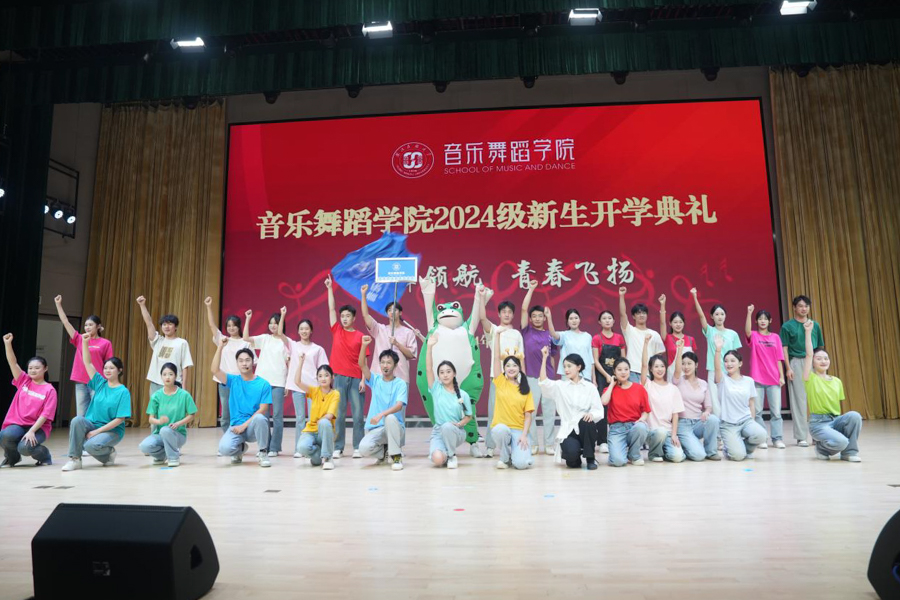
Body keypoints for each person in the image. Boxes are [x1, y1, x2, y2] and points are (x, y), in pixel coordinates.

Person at [62, 334, 132, 471]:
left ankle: (109, 453)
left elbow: (120, 419)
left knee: (90, 446)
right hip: (92, 424)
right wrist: (85, 343)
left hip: (112, 430)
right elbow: (87, 362)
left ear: (119, 370)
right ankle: (75, 459)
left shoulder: (123, 392)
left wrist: (97, 432)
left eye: (111, 368)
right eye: (105, 368)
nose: (107, 370)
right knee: (77, 420)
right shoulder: (100, 383)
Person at [802, 321, 862, 462]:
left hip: (834, 419)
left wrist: (840, 425)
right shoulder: (810, 378)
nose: (823, 361)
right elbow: (809, 354)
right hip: (818, 423)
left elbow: (837, 407)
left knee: (855, 416)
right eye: (819, 359)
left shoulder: (836, 381)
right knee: (842, 442)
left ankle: (849, 453)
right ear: (813, 362)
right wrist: (808, 332)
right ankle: (822, 448)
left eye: (826, 358)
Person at [211, 338, 272, 467]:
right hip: (236, 426)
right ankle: (240, 448)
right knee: (224, 449)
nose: (244, 363)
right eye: (241, 361)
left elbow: (263, 409)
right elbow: (214, 370)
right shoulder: (233, 380)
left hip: (252, 427)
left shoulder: (263, 384)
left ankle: (263, 452)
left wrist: (244, 426)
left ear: (253, 362)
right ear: (237, 364)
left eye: (247, 360)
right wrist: (220, 347)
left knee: (261, 418)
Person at [539, 347, 603, 470]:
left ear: (579, 367)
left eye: (569, 366)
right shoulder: (560, 386)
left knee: (588, 422)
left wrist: (591, 414)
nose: (566, 369)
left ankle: (590, 458)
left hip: (584, 428)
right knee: (572, 461)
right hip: (568, 430)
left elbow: (598, 410)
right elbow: (544, 383)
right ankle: (575, 456)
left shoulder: (590, 387)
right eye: (564, 367)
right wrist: (544, 359)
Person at [480, 287, 525, 458]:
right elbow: (482, 318)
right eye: (503, 312)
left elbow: (521, 357)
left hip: (515, 379)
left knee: (514, 412)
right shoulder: (494, 329)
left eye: (509, 312)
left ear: (513, 315)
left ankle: (515, 444)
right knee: (494, 412)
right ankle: (490, 446)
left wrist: (523, 378)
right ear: (499, 314)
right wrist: (482, 298)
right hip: (497, 378)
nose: (506, 314)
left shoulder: (517, 334)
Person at [324, 274, 366, 459]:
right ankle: (338, 447)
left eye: (348, 316)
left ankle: (358, 446)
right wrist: (329, 288)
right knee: (339, 414)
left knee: (358, 415)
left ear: (354, 318)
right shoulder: (337, 330)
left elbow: (364, 361)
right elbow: (331, 308)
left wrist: (364, 379)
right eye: (342, 316)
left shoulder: (360, 336)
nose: (344, 318)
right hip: (339, 378)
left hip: (356, 378)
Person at [1, 333, 57, 467]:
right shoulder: (24, 380)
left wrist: (32, 430)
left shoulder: (50, 390)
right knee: (5, 435)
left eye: (37, 368)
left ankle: (45, 456)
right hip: (18, 424)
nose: (33, 370)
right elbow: (12, 363)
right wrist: (7, 344)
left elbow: (45, 415)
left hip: (38, 427)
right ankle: (12, 458)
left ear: (45, 369)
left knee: (25, 448)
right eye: (30, 368)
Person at [53, 295, 112, 417]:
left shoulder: (105, 343)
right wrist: (58, 304)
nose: (87, 327)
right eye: (86, 325)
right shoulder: (79, 339)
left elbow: (109, 364)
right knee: (81, 414)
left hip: (97, 382)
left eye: (90, 325)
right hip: (80, 381)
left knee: (97, 413)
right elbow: (65, 322)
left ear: (98, 326)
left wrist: (109, 382)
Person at [243, 307, 289, 457]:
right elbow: (246, 338)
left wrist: (288, 383)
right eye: (271, 323)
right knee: (263, 416)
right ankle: (264, 446)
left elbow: (289, 363)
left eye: (276, 323)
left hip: (278, 382)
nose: (273, 325)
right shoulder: (265, 338)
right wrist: (248, 318)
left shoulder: (285, 342)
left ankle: (274, 447)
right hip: (262, 383)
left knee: (277, 416)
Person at [357, 336, 408, 470]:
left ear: (395, 365)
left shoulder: (400, 384)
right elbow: (362, 365)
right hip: (378, 428)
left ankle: (396, 456)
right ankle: (384, 452)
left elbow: (399, 406)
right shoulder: (375, 380)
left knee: (390, 418)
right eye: (383, 362)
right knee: (363, 448)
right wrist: (364, 345)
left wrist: (381, 414)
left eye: (389, 363)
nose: (385, 365)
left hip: (396, 427)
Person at [520, 280, 559, 455]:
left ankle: (549, 444)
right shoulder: (526, 331)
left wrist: (552, 378)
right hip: (530, 378)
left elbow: (552, 358)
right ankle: (534, 443)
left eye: (540, 316)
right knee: (531, 412)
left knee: (549, 412)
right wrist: (531, 289)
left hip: (548, 378)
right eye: (534, 316)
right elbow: (523, 309)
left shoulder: (550, 335)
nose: (537, 318)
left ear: (544, 318)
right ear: (530, 318)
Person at [713, 335, 766, 461]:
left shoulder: (749, 381)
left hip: (746, 421)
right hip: (728, 424)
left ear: (740, 363)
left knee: (761, 435)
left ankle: (745, 449)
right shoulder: (722, 380)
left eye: (732, 361)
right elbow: (717, 368)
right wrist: (718, 350)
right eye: (726, 361)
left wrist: (752, 422)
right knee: (737, 456)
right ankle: (730, 449)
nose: (729, 364)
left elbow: (751, 403)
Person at [780, 295, 824, 447]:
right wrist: (788, 368)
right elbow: (784, 348)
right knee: (799, 400)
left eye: (806, 306)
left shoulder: (814, 325)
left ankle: (818, 435)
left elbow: (819, 347)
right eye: (800, 306)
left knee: (816, 400)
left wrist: (820, 365)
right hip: (797, 362)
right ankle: (801, 436)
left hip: (814, 362)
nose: (803, 309)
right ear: (794, 308)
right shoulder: (787, 326)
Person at [489, 326, 535, 470]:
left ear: (519, 368)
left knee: (521, 465)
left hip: (518, 431)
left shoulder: (525, 389)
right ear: (504, 368)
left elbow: (528, 416)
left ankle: (518, 455)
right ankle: (504, 457)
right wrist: (497, 335)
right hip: (502, 428)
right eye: (507, 365)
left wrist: (524, 435)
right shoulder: (500, 382)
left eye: (514, 365)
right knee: (499, 430)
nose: (511, 368)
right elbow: (496, 357)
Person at [425, 334, 473, 469]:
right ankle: (445, 454)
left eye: (448, 371)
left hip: (456, 431)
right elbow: (428, 369)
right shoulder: (436, 389)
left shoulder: (463, 394)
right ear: (439, 376)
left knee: (447, 426)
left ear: (454, 374)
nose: (445, 375)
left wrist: (459, 424)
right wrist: (429, 347)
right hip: (438, 431)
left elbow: (469, 416)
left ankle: (452, 455)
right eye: (441, 372)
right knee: (437, 459)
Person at [690, 288, 741, 417]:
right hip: (713, 370)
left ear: (725, 316)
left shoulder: (733, 334)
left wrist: (736, 372)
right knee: (715, 401)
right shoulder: (710, 331)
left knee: (729, 399)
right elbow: (701, 316)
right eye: (716, 314)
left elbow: (736, 356)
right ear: (712, 316)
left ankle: (730, 424)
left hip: (729, 371)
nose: (720, 316)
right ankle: (719, 428)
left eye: (722, 314)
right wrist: (695, 297)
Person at [204, 297, 250, 435]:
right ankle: (227, 438)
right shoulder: (223, 339)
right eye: (228, 325)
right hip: (224, 381)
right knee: (226, 413)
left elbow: (251, 364)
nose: (231, 328)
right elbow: (212, 326)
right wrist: (208, 306)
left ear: (239, 326)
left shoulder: (245, 343)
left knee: (241, 412)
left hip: (240, 382)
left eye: (234, 325)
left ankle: (239, 439)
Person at [138, 363, 197, 467]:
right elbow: (151, 419)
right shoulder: (156, 395)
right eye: (164, 374)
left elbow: (192, 415)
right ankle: (161, 456)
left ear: (176, 376)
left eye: (170, 374)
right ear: (161, 377)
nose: (167, 377)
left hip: (178, 435)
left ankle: (173, 457)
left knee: (165, 430)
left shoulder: (184, 395)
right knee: (144, 446)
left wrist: (178, 423)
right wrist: (159, 421)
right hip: (160, 434)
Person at [285, 319, 329, 458]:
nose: (304, 331)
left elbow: (323, 368)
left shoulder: (318, 349)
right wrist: (283, 315)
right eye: (301, 329)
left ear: (311, 331)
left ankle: (311, 446)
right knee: (299, 418)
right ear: (298, 331)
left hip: (313, 388)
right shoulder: (293, 345)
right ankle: (299, 448)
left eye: (307, 329)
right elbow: (280, 334)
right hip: (297, 385)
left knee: (312, 418)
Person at [745, 305, 786, 449]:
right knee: (757, 412)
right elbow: (747, 331)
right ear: (756, 321)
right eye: (760, 319)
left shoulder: (775, 337)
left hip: (774, 379)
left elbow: (779, 358)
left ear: (770, 321)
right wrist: (749, 313)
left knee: (776, 412)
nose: (763, 321)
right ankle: (762, 438)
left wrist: (781, 376)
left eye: (765, 319)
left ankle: (777, 439)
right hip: (757, 379)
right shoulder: (754, 335)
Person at [673, 339, 721, 461]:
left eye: (689, 363)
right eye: (683, 364)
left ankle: (711, 451)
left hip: (698, 422)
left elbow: (708, 406)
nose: (686, 367)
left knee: (713, 419)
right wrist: (679, 350)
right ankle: (687, 445)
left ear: (696, 365)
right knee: (699, 456)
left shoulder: (703, 383)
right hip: (683, 425)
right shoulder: (678, 381)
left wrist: (706, 412)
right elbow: (677, 370)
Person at [360, 283, 418, 383]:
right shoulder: (380, 329)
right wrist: (363, 295)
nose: (391, 312)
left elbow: (411, 355)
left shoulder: (408, 332)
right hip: (379, 376)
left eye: (394, 310)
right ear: (387, 314)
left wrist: (397, 344)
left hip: (400, 378)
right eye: (389, 310)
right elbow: (365, 315)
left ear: (400, 313)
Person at [640, 335, 685, 463]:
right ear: (651, 369)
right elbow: (643, 365)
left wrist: (674, 435)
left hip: (668, 432)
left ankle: (664, 450)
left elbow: (675, 415)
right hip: (653, 432)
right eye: (656, 366)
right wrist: (645, 344)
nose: (659, 369)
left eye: (662, 366)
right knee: (660, 432)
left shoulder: (673, 389)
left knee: (678, 457)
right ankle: (654, 453)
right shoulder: (647, 385)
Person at [137, 296, 193, 396]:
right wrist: (142, 305)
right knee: (155, 406)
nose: (167, 327)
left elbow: (185, 366)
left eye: (170, 324)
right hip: (156, 383)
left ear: (175, 327)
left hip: (174, 383)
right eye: (164, 324)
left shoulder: (182, 343)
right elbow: (149, 323)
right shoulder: (158, 340)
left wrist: (184, 386)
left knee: (173, 406)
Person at [600, 357, 650, 467]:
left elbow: (646, 411)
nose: (623, 372)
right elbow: (604, 401)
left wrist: (641, 420)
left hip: (634, 426)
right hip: (617, 429)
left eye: (626, 369)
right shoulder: (610, 389)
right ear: (614, 372)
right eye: (619, 369)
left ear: (629, 371)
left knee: (641, 427)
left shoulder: (639, 389)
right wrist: (612, 384)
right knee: (618, 462)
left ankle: (634, 455)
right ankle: (619, 453)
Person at [591, 310, 625, 455]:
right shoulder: (597, 338)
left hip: (618, 376)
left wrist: (618, 375)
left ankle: (618, 439)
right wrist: (606, 375)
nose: (607, 320)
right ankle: (602, 441)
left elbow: (623, 360)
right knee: (602, 408)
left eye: (609, 318)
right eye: (604, 318)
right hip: (602, 376)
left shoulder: (619, 338)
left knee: (618, 407)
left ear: (613, 321)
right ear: (600, 322)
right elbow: (595, 360)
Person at [295, 359, 339, 470]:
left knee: (325, 422)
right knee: (301, 448)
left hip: (324, 431)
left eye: (326, 375)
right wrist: (301, 362)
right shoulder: (314, 391)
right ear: (317, 378)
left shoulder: (335, 394)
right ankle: (318, 454)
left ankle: (328, 458)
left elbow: (329, 415)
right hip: (310, 430)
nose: (323, 378)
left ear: (332, 377)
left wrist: (320, 421)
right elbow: (297, 382)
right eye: (320, 376)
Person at [618, 287, 664, 382]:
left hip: (648, 373)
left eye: (644, 313)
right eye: (638, 313)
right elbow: (623, 314)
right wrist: (621, 296)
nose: (641, 315)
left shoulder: (654, 334)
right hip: (632, 371)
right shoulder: (630, 330)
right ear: (633, 316)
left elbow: (659, 355)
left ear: (647, 315)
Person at [658, 295, 697, 382]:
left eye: (680, 322)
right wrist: (662, 304)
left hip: (688, 378)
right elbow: (662, 323)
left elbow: (693, 361)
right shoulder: (667, 338)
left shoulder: (691, 339)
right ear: (670, 323)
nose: (678, 324)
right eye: (675, 322)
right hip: (673, 376)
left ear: (684, 323)